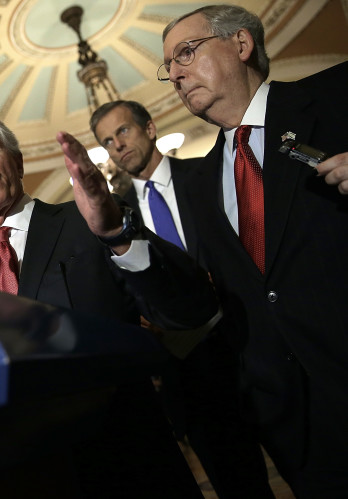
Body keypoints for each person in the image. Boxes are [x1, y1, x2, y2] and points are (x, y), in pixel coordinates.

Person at [0, 111, 220, 497]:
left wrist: (117, 235)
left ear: (16, 161)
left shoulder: (89, 219)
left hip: (129, 472)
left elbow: (188, 307)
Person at [161, 4, 348, 496]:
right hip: (295, 428)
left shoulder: (336, 95)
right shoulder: (196, 184)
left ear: (241, 45)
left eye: (186, 53)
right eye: (169, 69)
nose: (176, 75)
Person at [91, 99, 273, 498]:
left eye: (123, 131)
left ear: (150, 128)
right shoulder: (114, 222)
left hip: (257, 348)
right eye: (107, 141)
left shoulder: (209, 174)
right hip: (190, 375)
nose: (117, 145)